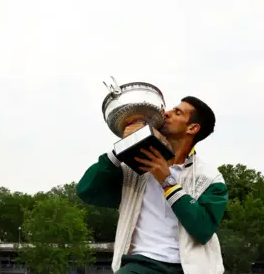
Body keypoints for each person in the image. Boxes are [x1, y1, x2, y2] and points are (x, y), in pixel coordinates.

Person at [76, 96, 228, 274]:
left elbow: (203, 230)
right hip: (140, 265)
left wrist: (167, 182)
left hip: (190, 269)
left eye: (177, 112)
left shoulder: (210, 177)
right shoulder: (134, 167)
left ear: (192, 128)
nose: (166, 113)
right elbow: (86, 190)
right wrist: (122, 147)